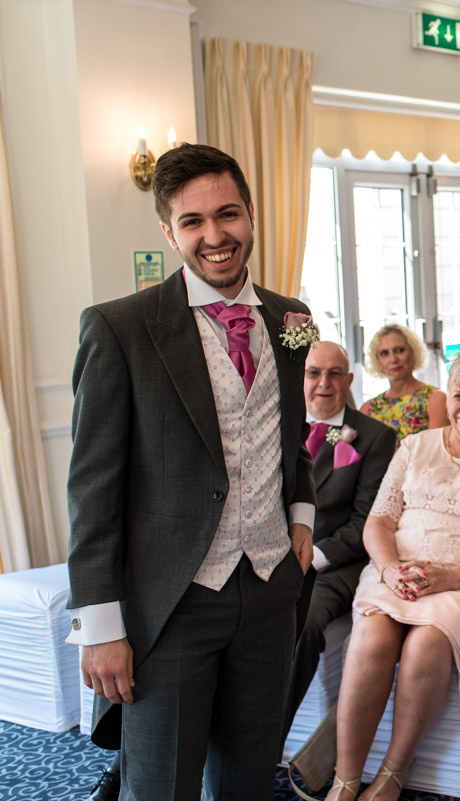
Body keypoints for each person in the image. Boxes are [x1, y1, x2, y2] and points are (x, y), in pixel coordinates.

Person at [65, 143, 316, 800]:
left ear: (251, 213)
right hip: (171, 601)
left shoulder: (290, 319)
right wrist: (100, 627)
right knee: (161, 786)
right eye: (193, 221)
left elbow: (292, 435)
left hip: (269, 592)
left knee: (248, 780)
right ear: (168, 232)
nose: (215, 235)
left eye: (227, 214)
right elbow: (92, 490)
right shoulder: (120, 328)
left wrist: (301, 514)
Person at [327, 346, 460, 801]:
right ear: (447, 396)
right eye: (458, 396)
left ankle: (393, 773)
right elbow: (378, 522)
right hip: (397, 573)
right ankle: (345, 779)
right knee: (372, 634)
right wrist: (388, 570)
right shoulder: (413, 447)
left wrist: (452, 576)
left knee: (427, 641)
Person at [280, 341, 396, 751]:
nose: (323, 383)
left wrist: (312, 557)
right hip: (271, 558)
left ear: (349, 380)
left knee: (303, 618)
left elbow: (366, 520)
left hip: (334, 564)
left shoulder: (376, 437)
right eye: (314, 373)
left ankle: (267, 743)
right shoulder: (277, 426)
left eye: (334, 374)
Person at [360, 324, 448, 442]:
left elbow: (438, 450)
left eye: (399, 350)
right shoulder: (368, 409)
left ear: (413, 352)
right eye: (384, 353)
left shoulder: (435, 399)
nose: (393, 359)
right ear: (377, 360)